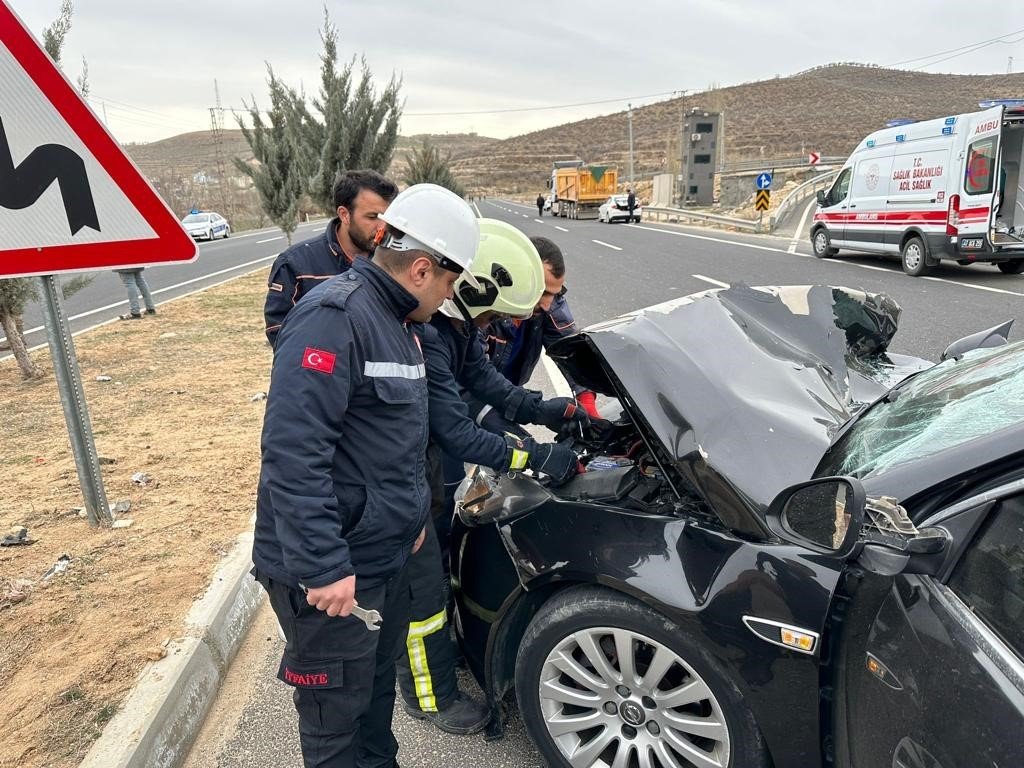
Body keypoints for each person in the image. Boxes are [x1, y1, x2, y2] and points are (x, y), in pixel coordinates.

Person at [252, 183, 480, 768]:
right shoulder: (336, 317)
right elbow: (293, 452)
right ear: (423, 268)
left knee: (375, 701)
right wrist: (325, 566)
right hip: (335, 576)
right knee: (336, 720)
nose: (449, 298)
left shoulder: (398, 321)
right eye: (451, 283)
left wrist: (410, 526)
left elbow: (388, 444)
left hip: (382, 557)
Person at [397, 220, 584, 736]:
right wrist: (532, 459)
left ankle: (435, 656)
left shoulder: (457, 327)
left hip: (418, 464)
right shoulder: (427, 335)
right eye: (496, 313)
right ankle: (427, 695)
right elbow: (457, 431)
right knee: (422, 589)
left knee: (430, 570)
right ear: (475, 288)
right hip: (396, 474)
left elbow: (492, 385)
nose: (495, 324)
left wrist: (552, 411)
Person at [472, 236, 600, 432]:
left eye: (554, 294)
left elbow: (571, 351)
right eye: (544, 292)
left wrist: (588, 405)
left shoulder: (547, 307)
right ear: (522, 278)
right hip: (469, 395)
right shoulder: (484, 309)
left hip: (508, 391)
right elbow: (474, 375)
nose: (547, 304)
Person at [264, 169, 398, 346]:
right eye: (372, 217)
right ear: (344, 214)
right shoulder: (295, 264)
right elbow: (279, 331)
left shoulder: (394, 261)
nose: (382, 227)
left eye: (387, 219)